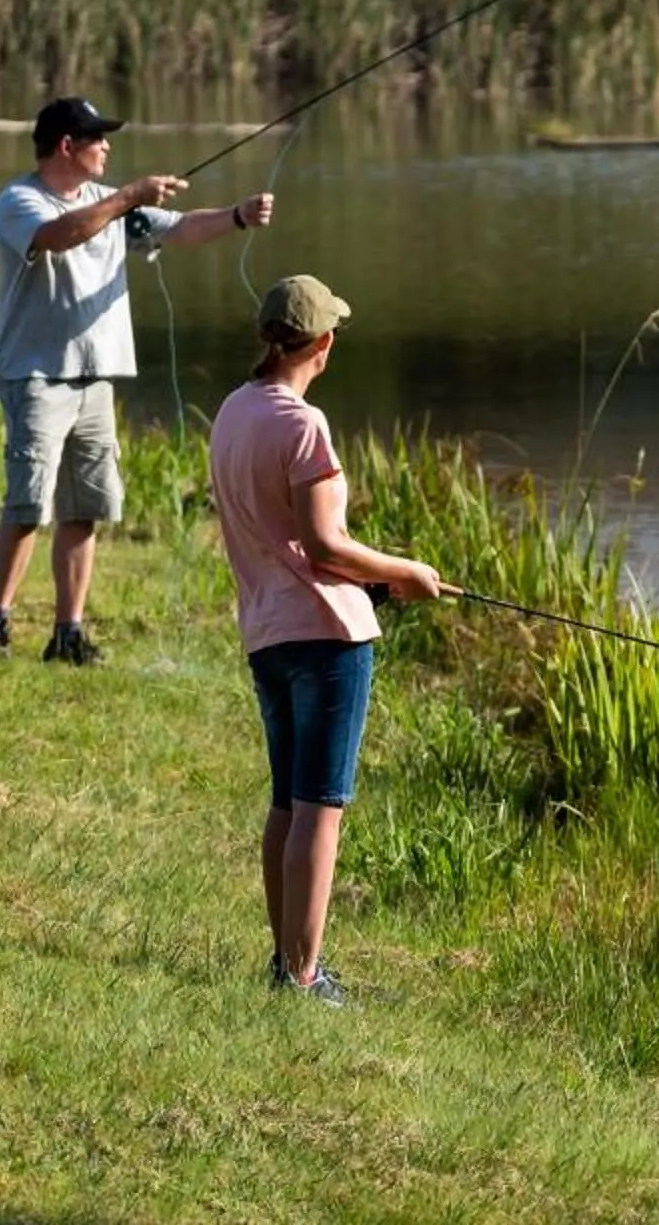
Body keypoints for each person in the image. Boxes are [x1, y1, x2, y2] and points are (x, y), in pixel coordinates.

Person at [209, 274, 442, 1006]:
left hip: (268, 635)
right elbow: (323, 545)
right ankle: (305, 976)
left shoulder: (234, 412)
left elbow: (285, 540)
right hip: (327, 640)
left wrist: (371, 578)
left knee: (288, 802)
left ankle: (286, 964)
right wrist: (407, 572)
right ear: (324, 343)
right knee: (321, 806)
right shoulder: (303, 426)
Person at [0, 96, 274, 665]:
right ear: (67, 146)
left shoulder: (109, 204)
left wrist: (236, 216)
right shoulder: (18, 202)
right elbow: (59, 235)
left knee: (82, 506)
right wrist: (126, 198)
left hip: (98, 378)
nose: (107, 146)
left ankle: (68, 633)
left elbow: (184, 227)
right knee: (27, 505)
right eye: (97, 138)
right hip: (37, 375)